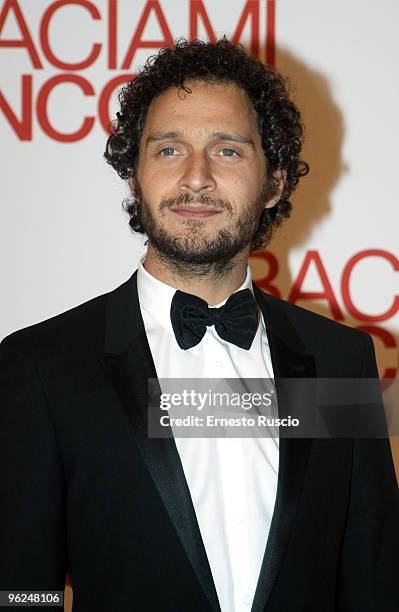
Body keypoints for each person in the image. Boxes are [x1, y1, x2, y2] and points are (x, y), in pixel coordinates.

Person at [0, 38, 398, 612]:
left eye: (228, 151)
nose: (196, 177)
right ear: (134, 176)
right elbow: (20, 590)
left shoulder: (342, 362)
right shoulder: (43, 367)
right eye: (167, 150)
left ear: (275, 183)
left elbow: (376, 581)